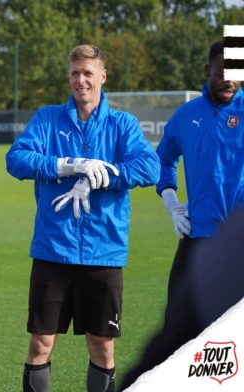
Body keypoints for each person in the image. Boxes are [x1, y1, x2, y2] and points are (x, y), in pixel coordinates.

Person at [5, 45, 159, 392]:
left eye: (88, 73)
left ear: (102, 76)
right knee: (40, 344)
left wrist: (102, 174)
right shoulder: (47, 119)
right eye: (75, 73)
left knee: (102, 347)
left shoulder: (123, 124)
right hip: (52, 250)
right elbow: (16, 159)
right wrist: (65, 165)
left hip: (104, 252)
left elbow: (149, 167)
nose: (81, 80)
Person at [120, 40, 244, 389]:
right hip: (196, 239)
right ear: (207, 72)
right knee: (176, 332)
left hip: (238, 246)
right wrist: (171, 199)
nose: (229, 80)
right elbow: (162, 160)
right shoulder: (186, 115)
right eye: (223, 72)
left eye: (237, 74)